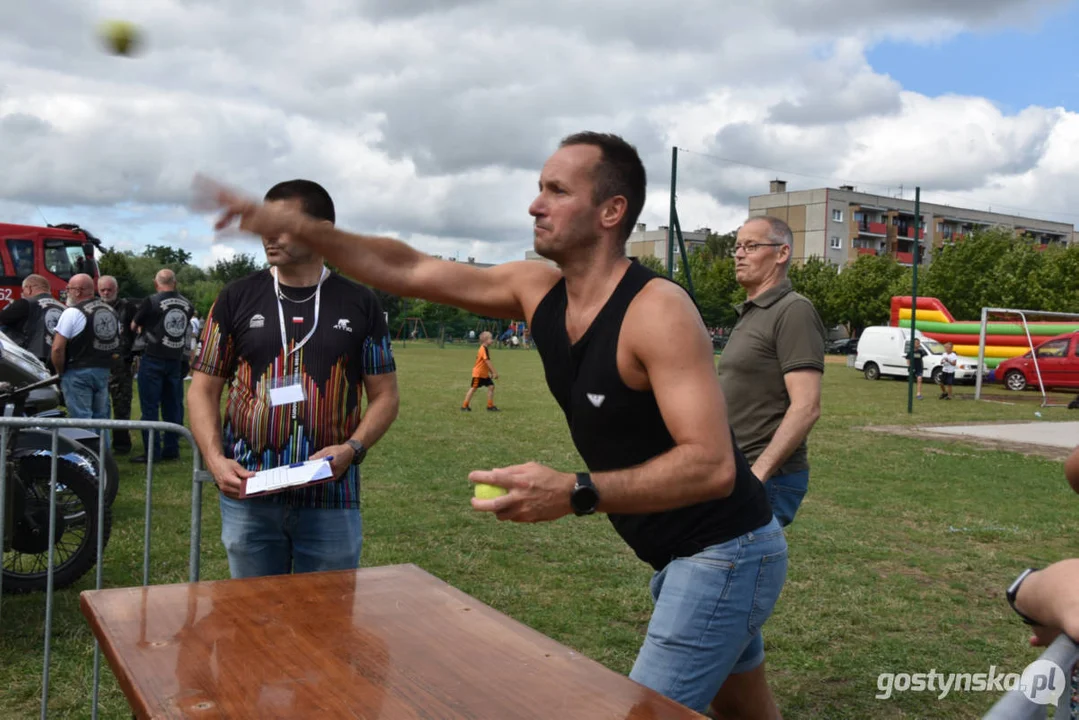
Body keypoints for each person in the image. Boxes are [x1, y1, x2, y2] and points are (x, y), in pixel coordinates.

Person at [200, 132, 787, 716]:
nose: (535, 204)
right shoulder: (535, 290)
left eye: (557, 191)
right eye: (538, 188)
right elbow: (404, 267)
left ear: (612, 212)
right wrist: (307, 230)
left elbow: (711, 466)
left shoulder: (657, 310)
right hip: (686, 555)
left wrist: (576, 490)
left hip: (724, 552)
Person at [187, 179, 400, 579]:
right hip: (249, 492)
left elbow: (386, 395)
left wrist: (353, 448)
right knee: (254, 620)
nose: (268, 233)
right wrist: (216, 461)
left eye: (281, 223)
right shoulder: (236, 297)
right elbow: (203, 388)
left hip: (331, 497)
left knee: (327, 622)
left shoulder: (359, 302)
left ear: (321, 231)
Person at [715, 214, 824, 719]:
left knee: (721, 589)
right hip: (733, 475)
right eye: (735, 246)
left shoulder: (793, 311)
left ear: (781, 253)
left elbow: (806, 406)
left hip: (768, 480)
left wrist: (757, 475)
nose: (738, 253)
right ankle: (736, 703)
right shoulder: (750, 312)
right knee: (726, 594)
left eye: (750, 245)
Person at [130, 269, 195, 462]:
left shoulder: (151, 301)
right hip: (175, 358)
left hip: (153, 357)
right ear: (175, 283)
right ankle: (171, 448)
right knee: (172, 406)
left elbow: (134, 325)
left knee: (150, 408)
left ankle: (152, 452)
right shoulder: (188, 304)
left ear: (155, 283)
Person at [50, 273, 120, 442]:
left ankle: (87, 462)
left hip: (77, 372)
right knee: (102, 420)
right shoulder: (110, 311)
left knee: (82, 422)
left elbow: (58, 348)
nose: (67, 292)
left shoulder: (72, 313)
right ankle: (105, 461)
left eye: (69, 289)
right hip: (103, 370)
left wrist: (60, 372)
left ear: (78, 291)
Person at [98, 275, 139, 454]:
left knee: (122, 405)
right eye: (103, 290)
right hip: (99, 363)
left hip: (122, 361)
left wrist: (135, 355)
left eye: (110, 289)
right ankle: (100, 444)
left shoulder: (128, 307)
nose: (106, 293)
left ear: (116, 290)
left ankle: (121, 444)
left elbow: (137, 332)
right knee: (99, 406)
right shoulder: (93, 307)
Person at [0, 274, 65, 368]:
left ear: (29, 288)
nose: (22, 294)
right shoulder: (64, 308)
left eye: (23, 290)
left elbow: (2, 318)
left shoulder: (26, 303)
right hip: (57, 360)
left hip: (31, 360)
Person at [462, 331, 498, 412]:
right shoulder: (483, 349)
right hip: (478, 374)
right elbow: (487, 361)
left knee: (491, 387)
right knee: (473, 388)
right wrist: (494, 372)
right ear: (485, 340)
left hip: (484, 374)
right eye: (491, 338)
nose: (492, 340)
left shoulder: (485, 348)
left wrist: (491, 372)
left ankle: (490, 406)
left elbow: (486, 363)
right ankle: (464, 406)